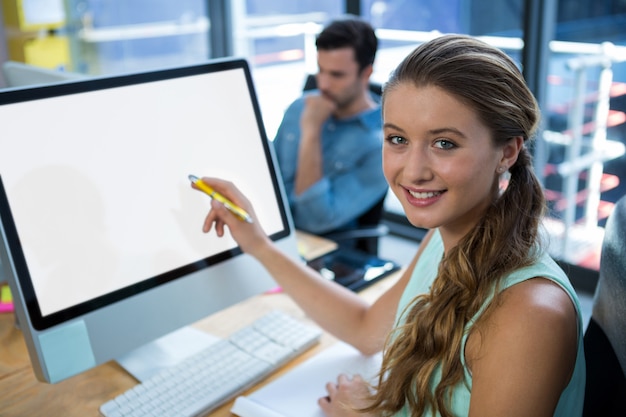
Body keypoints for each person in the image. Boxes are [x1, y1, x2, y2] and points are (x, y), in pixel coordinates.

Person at [193, 34, 586, 417]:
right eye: (397, 139)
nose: (412, 171)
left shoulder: (530, 315)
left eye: (444, 143)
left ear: (507, 151)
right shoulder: (443, 238)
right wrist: (260, 244)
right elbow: (366, 328)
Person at [272, 17, 389, 236]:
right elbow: (267, 175)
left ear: (366, 73)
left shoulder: (382, 145)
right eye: (320, 70)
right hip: (267, 230)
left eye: (336, 75)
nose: (322, 84)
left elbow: (314, 220)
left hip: (326, 253)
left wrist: (311, 132)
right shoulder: (299, 107)